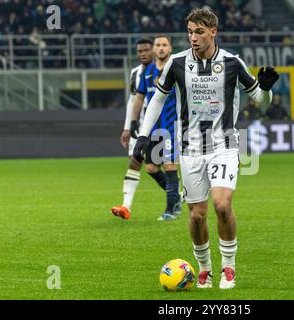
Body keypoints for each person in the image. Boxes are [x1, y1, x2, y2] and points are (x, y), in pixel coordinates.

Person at [133, 8, 279, 289]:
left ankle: (228, 268)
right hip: (190, 149)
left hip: (225, 145)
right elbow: (158, 100)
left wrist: (267, 88)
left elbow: (260, 101)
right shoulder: (176, 63)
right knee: (197, 214)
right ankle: (204, 269)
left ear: (213, 31)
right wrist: (143, 134)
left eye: (199, 31)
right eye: (190, 32)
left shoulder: (233, 63)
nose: (193, 37)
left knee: (222, 205)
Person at [130, 34, 182, 221]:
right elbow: (140, 97)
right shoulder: (148, 71)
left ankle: (171, 209)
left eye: (164, 45)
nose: (161, 48)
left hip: (171, 125)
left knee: (169, 165)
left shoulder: (176, 68)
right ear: (154, 49)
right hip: (153, 128)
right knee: (151, 168)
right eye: (158, 45)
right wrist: (133, 121)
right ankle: (177, 197)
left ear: (170, 49)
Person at [110, 37, 153, 220]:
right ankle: (125, 206)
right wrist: (128, 126)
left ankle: (178, 196)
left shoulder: (165, 70)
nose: (143, 53)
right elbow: (132, 100)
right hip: (139, 126)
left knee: (156, 167)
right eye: (140, 51)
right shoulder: (135, 73)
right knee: (134, 161)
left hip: (162, 125)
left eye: (146, 50)